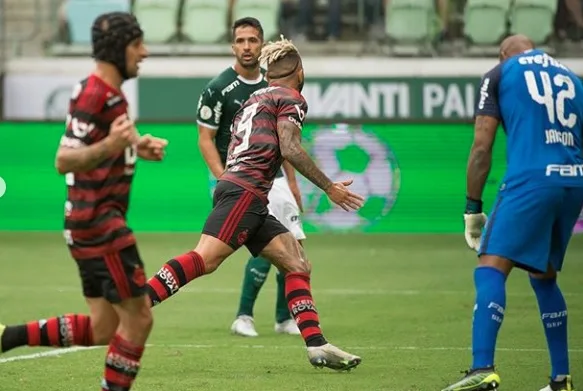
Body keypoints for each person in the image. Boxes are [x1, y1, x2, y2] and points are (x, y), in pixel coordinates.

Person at [146, 35, 365, 371]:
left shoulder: (254, 99)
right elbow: (289, 148)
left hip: (243, 189)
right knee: (205, 260)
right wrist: (328, 187)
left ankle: (317, 345)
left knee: (296, 263)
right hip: (247, 191)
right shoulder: (291, 98)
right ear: (300, 73)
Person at [0, 12, 168, 391]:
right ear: (116, 48)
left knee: (103, 327)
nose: (144, 52)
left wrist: (137, 146)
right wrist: (113, 145)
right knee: (139, 319)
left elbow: (103, 140)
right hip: (101, 223)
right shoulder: (95, 94)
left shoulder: (103, 93)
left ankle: (7, 337)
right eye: (137, 44)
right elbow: (64, 158)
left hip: (85, 224)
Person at [442, 34, 583, 391]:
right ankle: (560, 379)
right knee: (545, 275)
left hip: (530, 179)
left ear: (504, 53)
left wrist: (473, 208)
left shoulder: (501, 72)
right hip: (573, 181)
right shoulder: (574, 78)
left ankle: (482, 368)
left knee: (490, 267)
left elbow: (481, 146)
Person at [197, 17, 304, 338]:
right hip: (241, 180)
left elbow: (285, 141)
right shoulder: (218, 89)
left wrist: (294, 182)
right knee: (265, 245)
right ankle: (245, 315)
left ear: (262, 44)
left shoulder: (272, 84)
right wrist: (222, 178)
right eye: (241, 41)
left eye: (253, 40)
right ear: (233, 46)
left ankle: (284, 318)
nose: (247, 47)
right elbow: (205, 139)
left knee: (293, 243)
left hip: (275, 179)